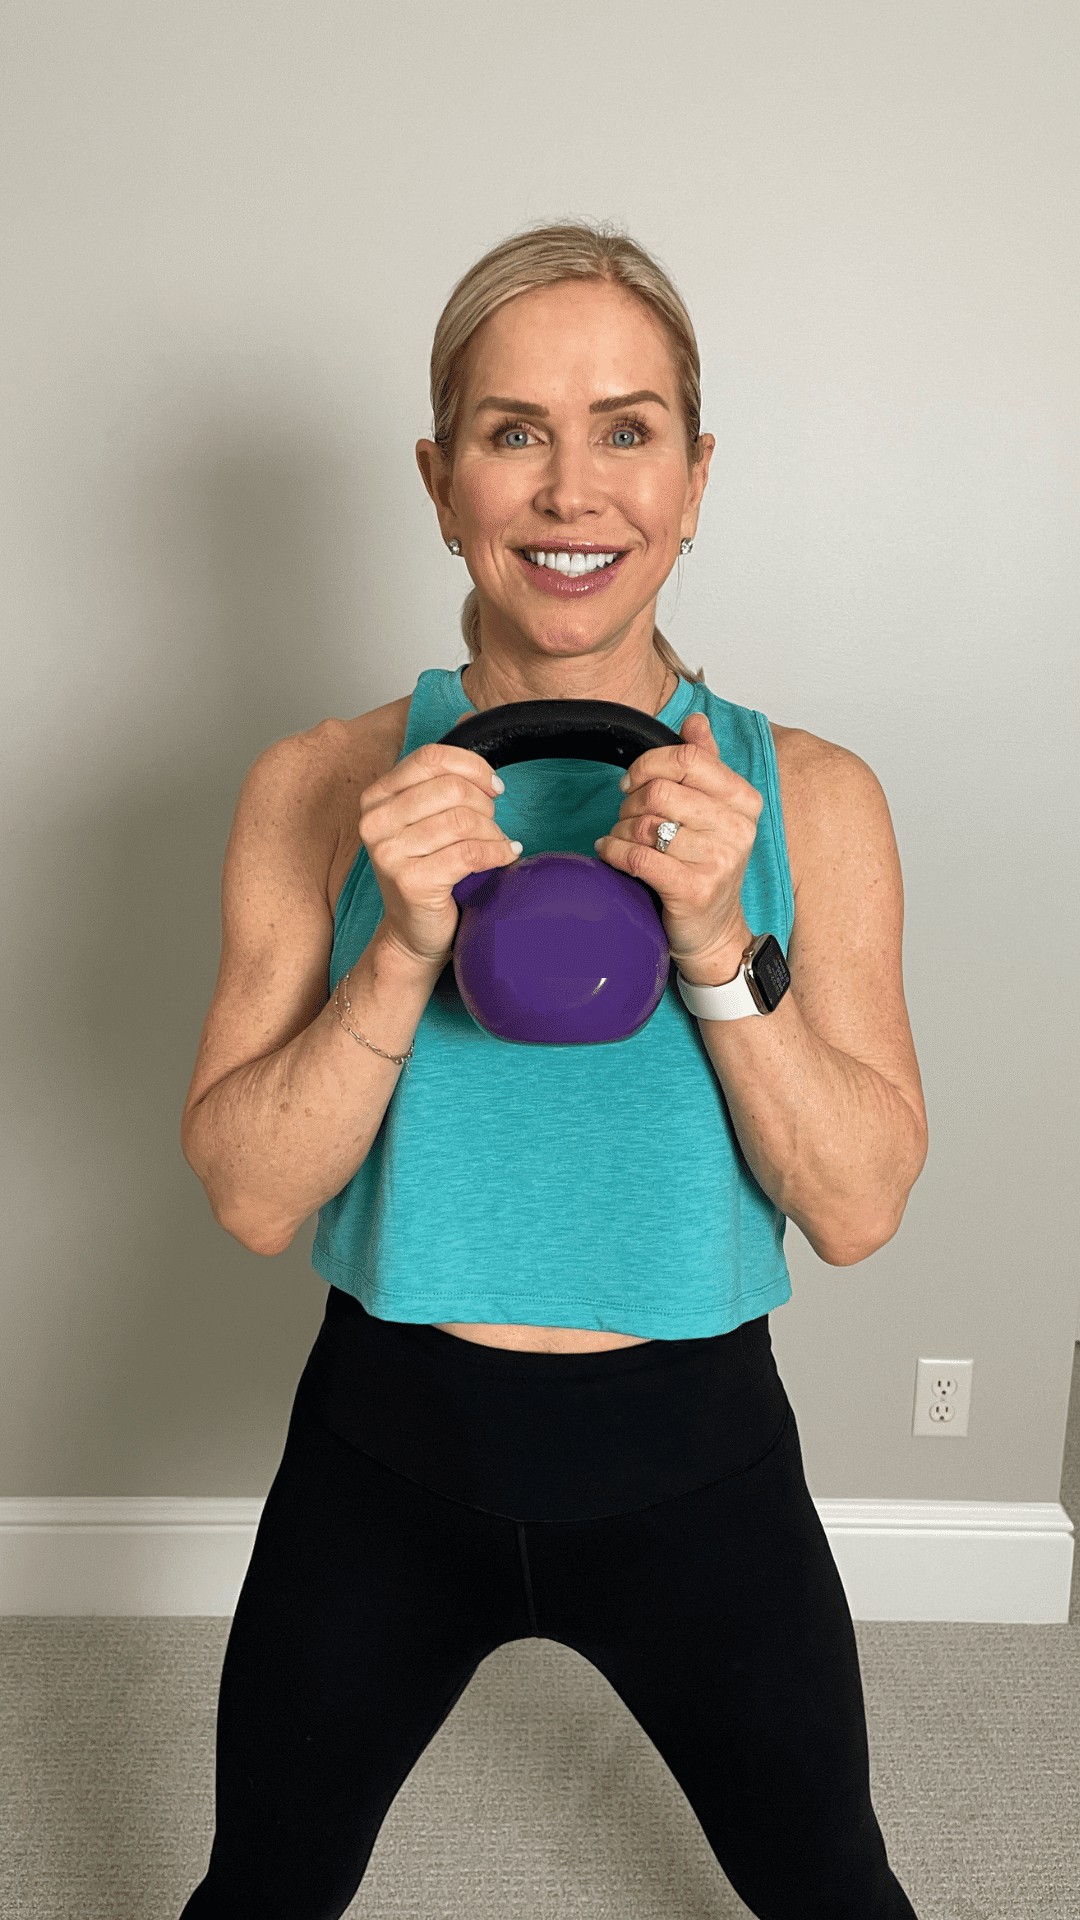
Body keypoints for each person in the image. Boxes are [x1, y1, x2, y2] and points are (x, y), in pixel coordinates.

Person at [178, 219, 928, 1919]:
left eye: (625, 428)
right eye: (515, 433)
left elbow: (863, 1205)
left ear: (695, 474)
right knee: (261, 1894)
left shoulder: (808, 798)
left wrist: (723, 950)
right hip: (384, 1455)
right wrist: (395, 946)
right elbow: (246, 1193)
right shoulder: (316, 786)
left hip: (698, 1461)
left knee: (838, 1889)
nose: (571, 490)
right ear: (442, 483)